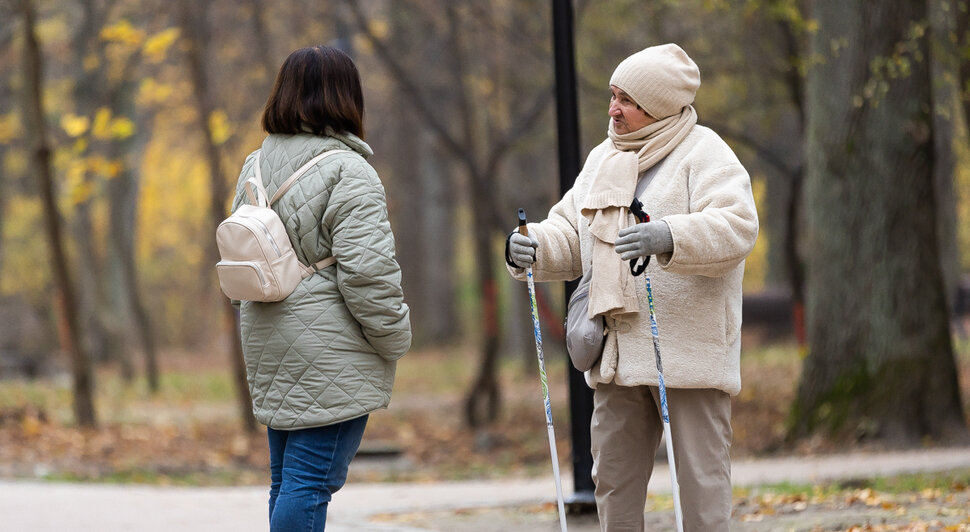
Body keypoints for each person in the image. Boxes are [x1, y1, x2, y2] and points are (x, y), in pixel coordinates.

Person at [506, 43, 758, 531]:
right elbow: (569, 233)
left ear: (660, 105)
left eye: (626, 100)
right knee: (614, 485)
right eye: (612, 95)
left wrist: (669, 235)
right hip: (617, 356)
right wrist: (529, 245)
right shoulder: (603, 158)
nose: (612, 108)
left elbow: (738, 226)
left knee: (702, 488)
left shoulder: (705, 153)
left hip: (690, 359)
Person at [230, 45, 411, 531]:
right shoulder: (351, 171)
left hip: (267, 338)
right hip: (329, 348)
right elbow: (369, 275)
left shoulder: (254, 166)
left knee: (286, 481)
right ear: (346, 98)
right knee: (309, 483)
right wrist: (394, 339)